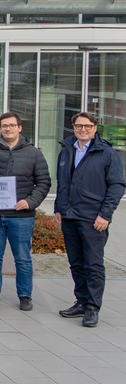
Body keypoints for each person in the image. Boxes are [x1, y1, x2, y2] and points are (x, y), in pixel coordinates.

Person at [0, 112, 50, 312]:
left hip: (21, 217)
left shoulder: (34, 153)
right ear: (0, 128)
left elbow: (44, 182)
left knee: (22, 258)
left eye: (12, 125)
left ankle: (25, 295)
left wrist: (30, 202)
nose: (8, 129)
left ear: (19, 128)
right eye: (4, 126)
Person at [55, 112, 126, 327]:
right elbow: (62, 183)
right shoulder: (66, 151)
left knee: (93, 264)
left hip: (93, 219)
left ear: (95, 128)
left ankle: (93, 307)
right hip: (69, 217)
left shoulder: (107, 154)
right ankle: (82, 301)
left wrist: (105, 214)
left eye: (87, 126)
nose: (83, 129)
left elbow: (117, 186)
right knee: (76, 263)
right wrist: (58, 208)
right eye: (79, 126)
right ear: (73, 128)